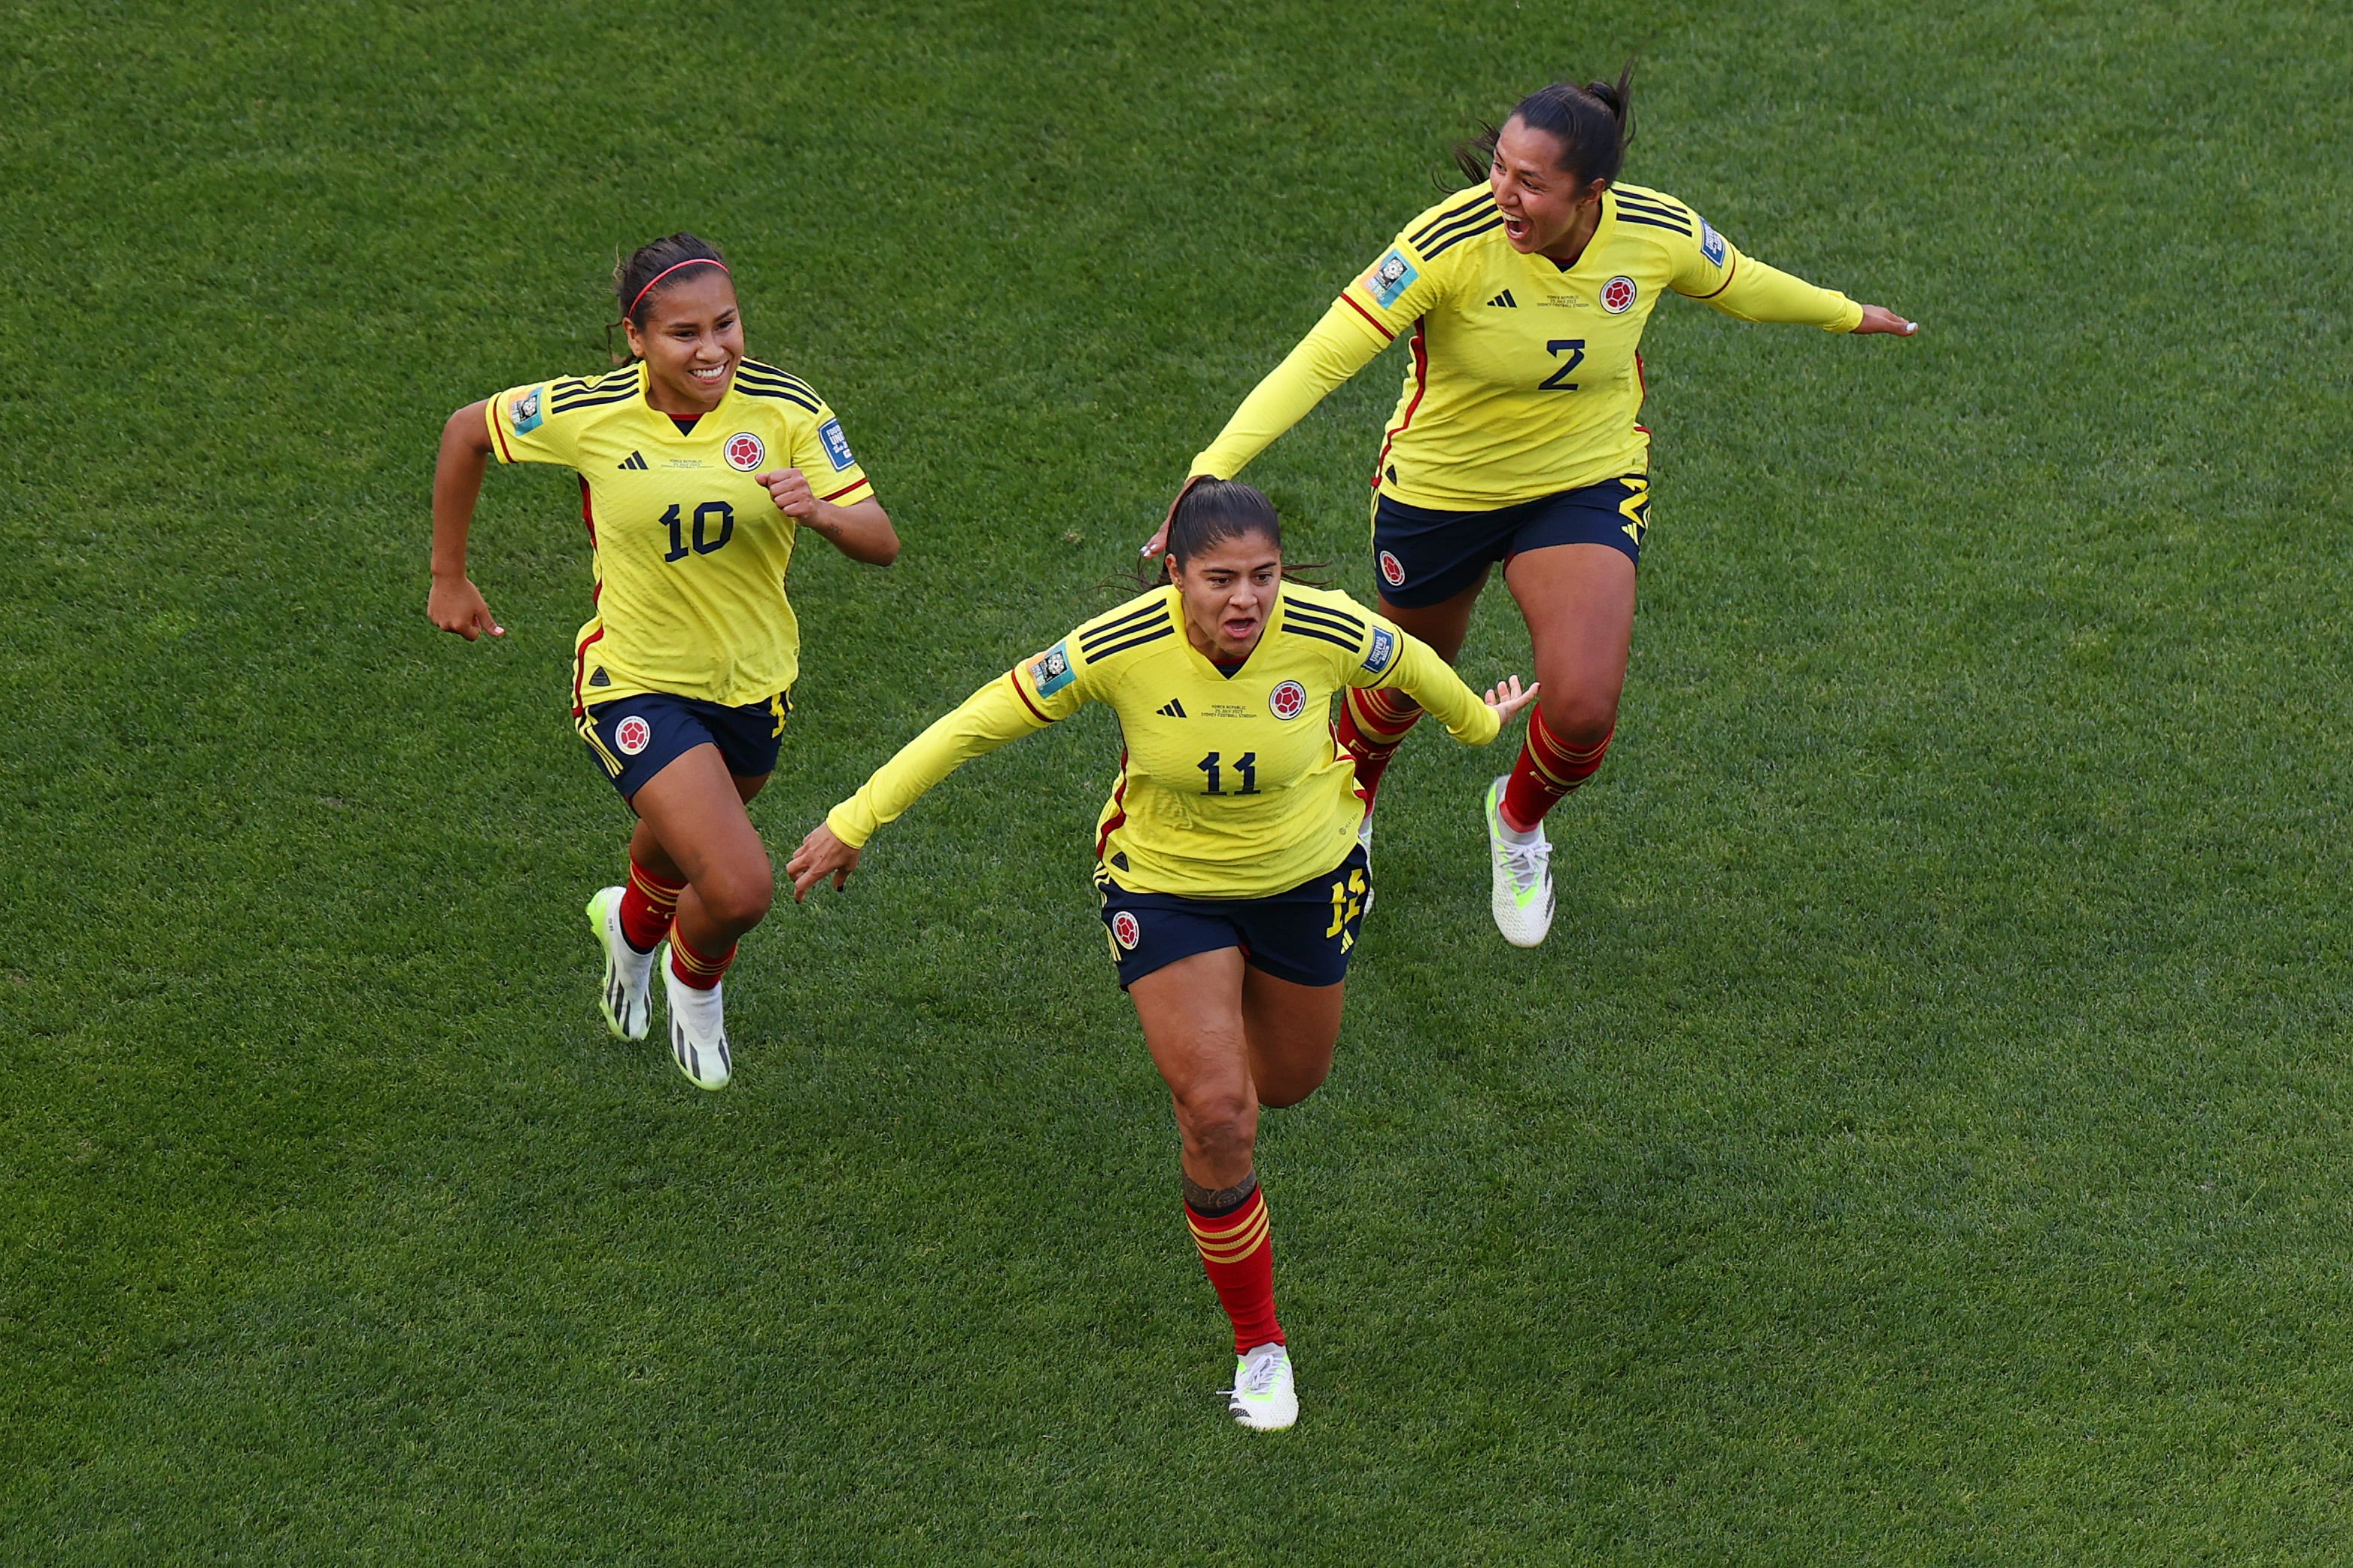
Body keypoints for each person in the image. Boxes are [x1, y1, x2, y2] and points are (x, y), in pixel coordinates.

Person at [787, 479, 1535, 1430]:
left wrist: (1478, 719)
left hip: (1307, 878)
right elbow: (979, 717)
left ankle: (1232, 1059)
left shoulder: (1330, 628)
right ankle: (1260, 1344)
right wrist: (857, 818)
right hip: (1164, 885)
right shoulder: (1118, 647)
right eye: (1219, 578)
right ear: (1173, 573)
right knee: (1220, 1111)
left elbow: (1413, 666)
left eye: (1261, 576)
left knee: (1288, 1083)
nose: (1245, 601)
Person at [1150, 66, 1916, 947]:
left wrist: (1847, 314)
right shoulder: (1449, 241)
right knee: (1407, 673)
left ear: (1592, 193)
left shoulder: (1653, 233)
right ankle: (1347, 806)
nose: (1500, 193)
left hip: (1581, 482)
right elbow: (1325, 355)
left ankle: (1515, 824)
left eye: (1528, 181)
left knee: (1584, 706)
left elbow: (1740, 280)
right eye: (1498, 168)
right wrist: (1211, 469)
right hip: (1441, 489)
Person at [428, 233, 898, 1090]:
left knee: (680, 854)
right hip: (632, 682)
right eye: (685, 333)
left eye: (726, 324)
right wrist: (448, 575)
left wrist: (824, 517)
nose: (713, 349)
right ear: (636, 337)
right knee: (742, 886)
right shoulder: (588, 411)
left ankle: (631, 932)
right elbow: (466, 434)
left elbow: (882, 540)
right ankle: (693, 978)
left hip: (756, 685)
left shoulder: (787, 408)